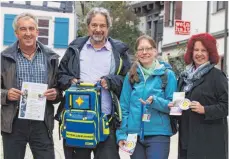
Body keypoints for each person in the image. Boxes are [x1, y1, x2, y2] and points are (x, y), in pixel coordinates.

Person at [57, 7, 131, 159]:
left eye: (102, 26)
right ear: (88, 27)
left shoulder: (118, 52)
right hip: (76, 122)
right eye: (94, 25)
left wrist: (111, 81)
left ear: (108, 28)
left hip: (107, 123)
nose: (98, 29)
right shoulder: (75, 49)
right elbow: (60, 75)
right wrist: (70, 81)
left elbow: (129, 80)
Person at [1, 13, 62, 159]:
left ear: (37, 32)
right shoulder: (4, 58)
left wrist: (56, 94)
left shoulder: (51, 57)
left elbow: (59, 88)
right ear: (16, 33)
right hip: (13, 122)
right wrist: (6, 94)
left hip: (42, 122)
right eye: (23, 29)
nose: (28, 33)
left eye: (31, 28)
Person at [116, 35, 177, 159]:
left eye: (148, 49)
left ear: (155, 51)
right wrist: (122, 134)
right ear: (137, 53)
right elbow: (124, 107)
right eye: (141, 49)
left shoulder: (167, 75)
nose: (145, 52)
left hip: (159, 135)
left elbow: (174, 107)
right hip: (134, 136)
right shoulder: (131, 75)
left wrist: (155, 101)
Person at [168, 33, 228, 159]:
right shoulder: (184, 77)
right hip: (187, 140)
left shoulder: (217, 76)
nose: (199, 54)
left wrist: (205, 109)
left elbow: (226, 105)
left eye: (203, 50)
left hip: (209, 142)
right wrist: (174, 108)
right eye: (196, 50)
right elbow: (178, 111)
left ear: (210, 53)